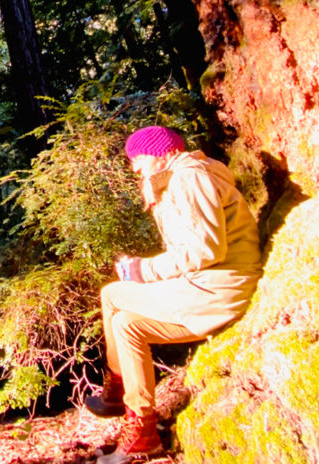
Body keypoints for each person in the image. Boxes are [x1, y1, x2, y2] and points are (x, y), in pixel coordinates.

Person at [85, 126, 263, 464]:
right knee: (126, 324)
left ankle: (116, 391)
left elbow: (205, 249)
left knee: (112, 295)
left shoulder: (189, 179)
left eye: (138, 158)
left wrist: (143, 271)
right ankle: (142, 433)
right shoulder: (180, 180)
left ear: (160, 152)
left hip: (219, 287)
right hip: (212, 285)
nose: (134, 167)